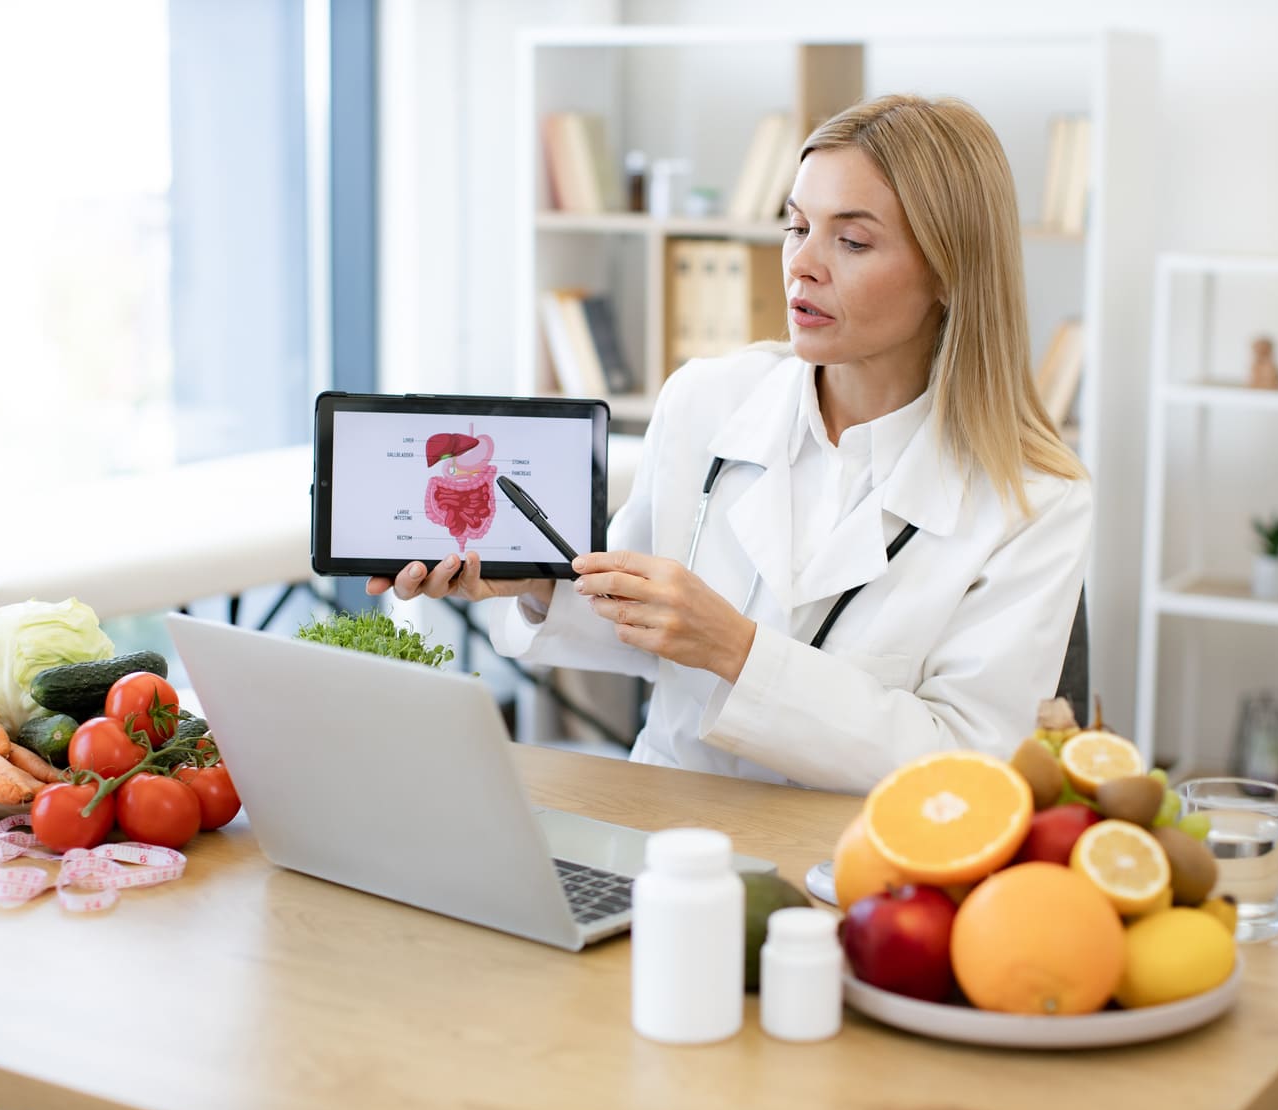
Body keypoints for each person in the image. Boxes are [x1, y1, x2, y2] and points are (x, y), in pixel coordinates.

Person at [368, 94, 1091, 795]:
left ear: (947, 271)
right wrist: (536, 586)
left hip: (858, 861)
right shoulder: (707, 400)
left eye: (852, 240)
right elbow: (641, 621)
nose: (803, 263)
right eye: (795, 226)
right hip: (666, 821)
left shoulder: (1036, 500)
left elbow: (969, 768)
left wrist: (738, 652)